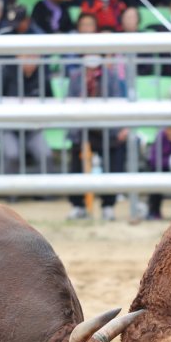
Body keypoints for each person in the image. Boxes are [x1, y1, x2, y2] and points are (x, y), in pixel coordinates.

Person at [66, 54, 128, 221]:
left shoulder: (112, 78)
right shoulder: (76, 78)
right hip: (82, 128)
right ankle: (77, 205)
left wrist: (121, 128)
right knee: (76, 158)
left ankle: (108, 205)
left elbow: (119, 104)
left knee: (115, 153)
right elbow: (69, 104)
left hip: (107, 129)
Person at [0, 54, 55, 175]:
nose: (30, 60)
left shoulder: (42, 74)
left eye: (34, 57)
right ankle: (10, 193)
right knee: (13, 155)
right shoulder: (5, 71)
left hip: (32, 128)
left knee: (46, 155)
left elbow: (50, 101)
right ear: (18, 57)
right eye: (26, 56)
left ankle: (44, 192)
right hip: (6, 127)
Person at [145, 126, 171, 220]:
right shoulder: (160, 137)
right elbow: (154, 160)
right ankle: (153, 211)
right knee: (155, 183)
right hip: (161, 168)